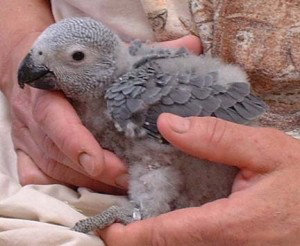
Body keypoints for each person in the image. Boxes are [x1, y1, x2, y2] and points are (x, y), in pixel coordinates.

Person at [1, 0, 300, 245]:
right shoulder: (92, 85)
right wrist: (16, 44)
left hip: (253, 199)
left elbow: (158, 167)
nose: (35, 63)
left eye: (77, 57)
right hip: (33, 157)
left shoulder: (128, 98)